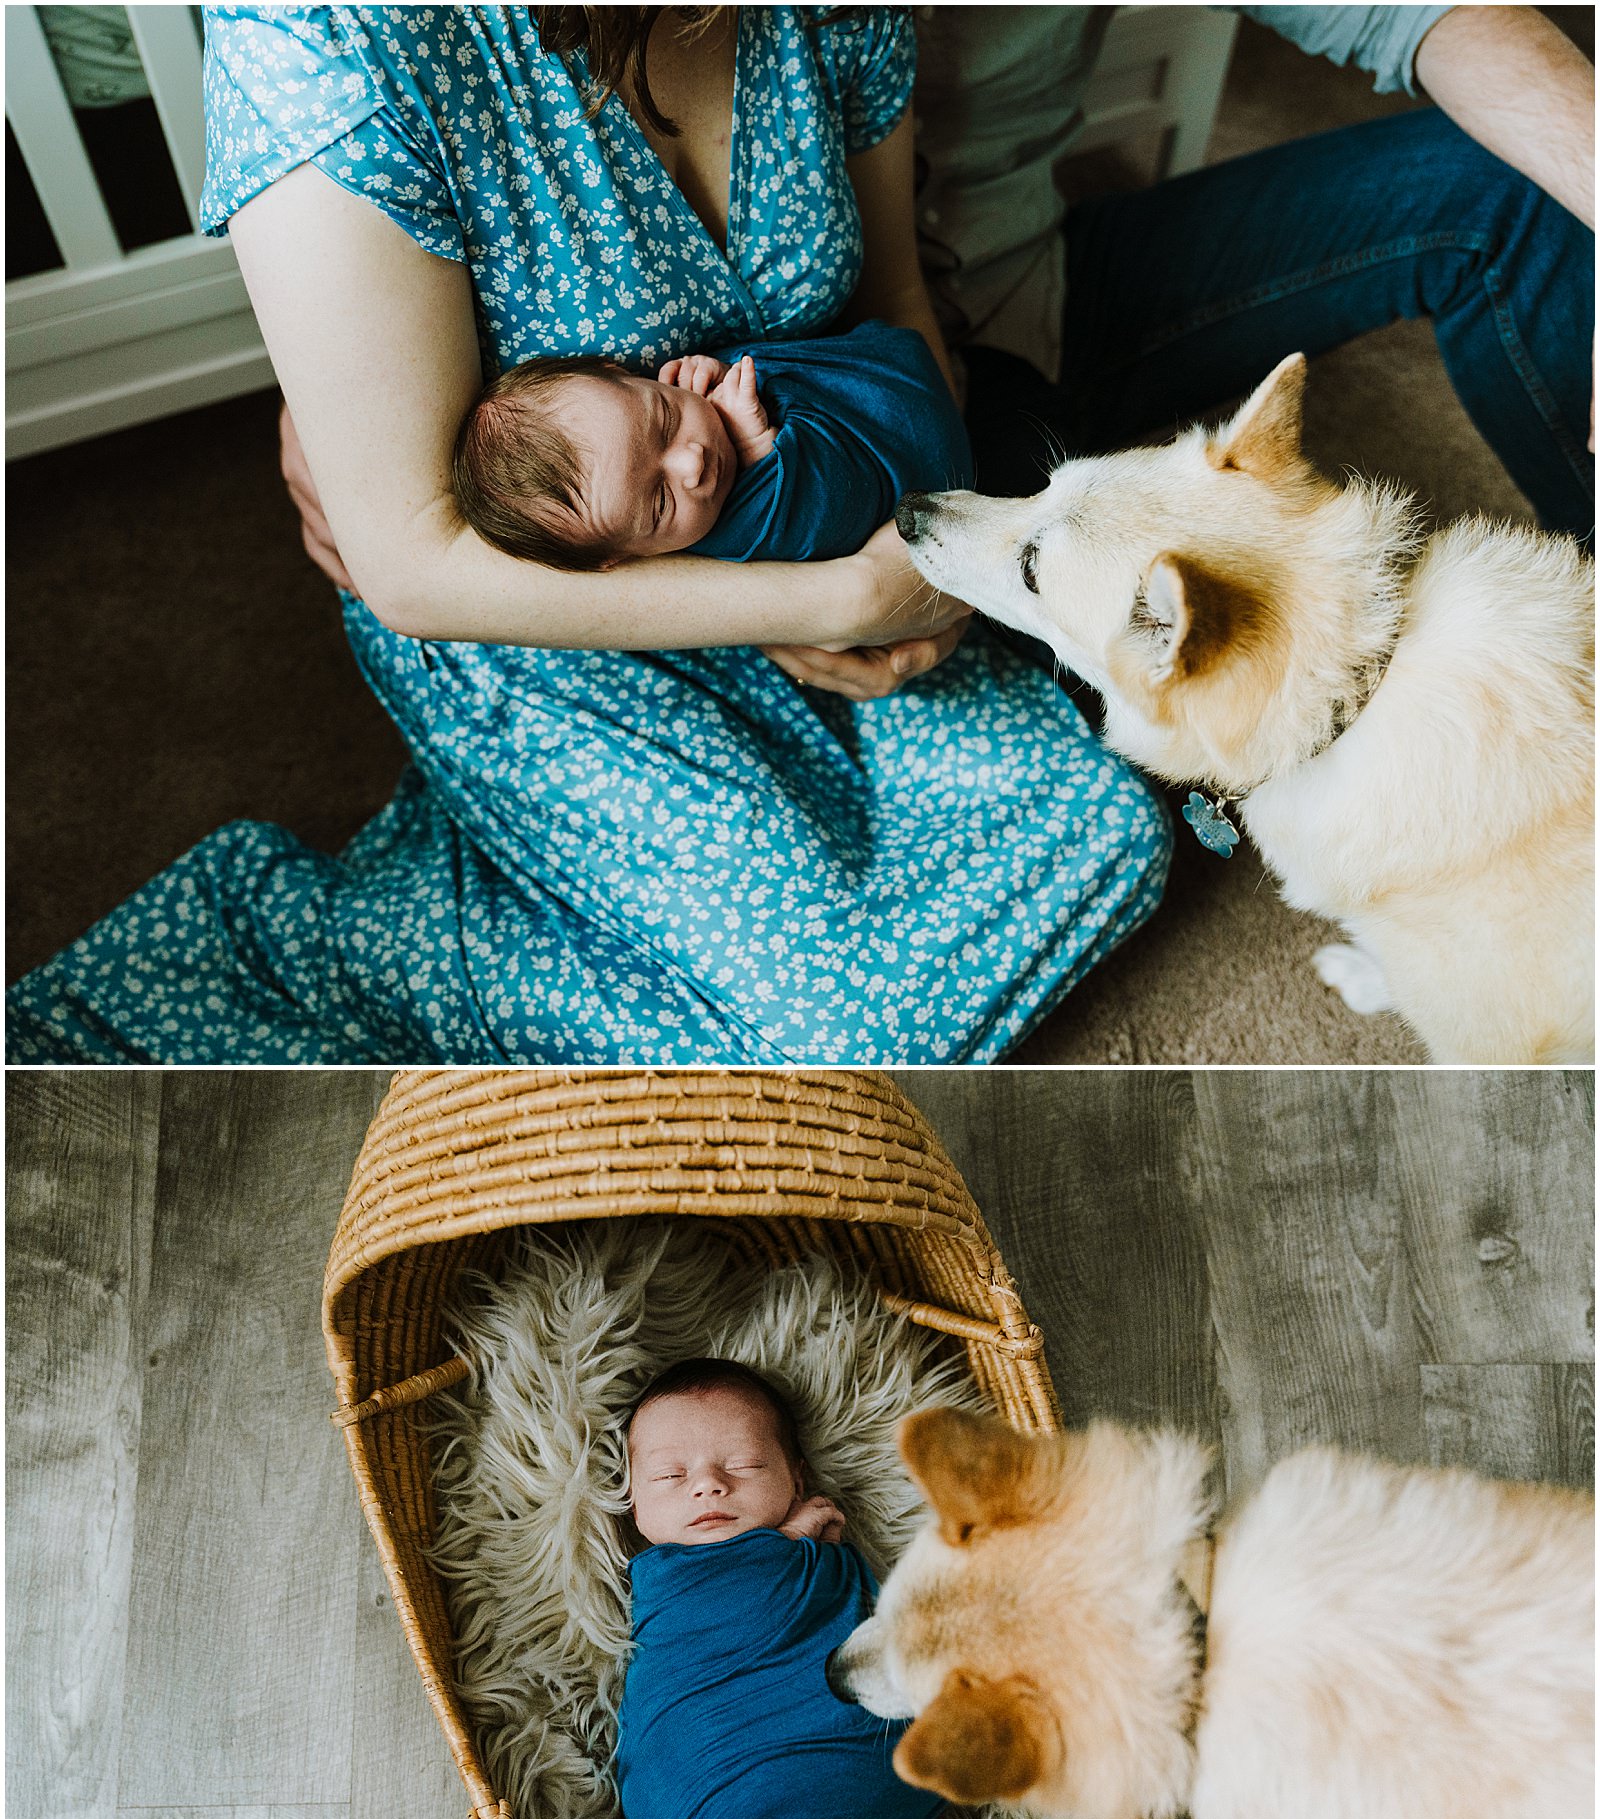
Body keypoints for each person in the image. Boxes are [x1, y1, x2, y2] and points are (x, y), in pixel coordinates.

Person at [5, 5, 1170, 1066]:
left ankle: (590, 888)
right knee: (846, 1025)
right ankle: (368, 934)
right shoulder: (330, 43)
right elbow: (415, 562)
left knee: (1104, 829)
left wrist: (923, 537)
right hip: (540, 624)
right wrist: (831, 604)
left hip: (827, 517)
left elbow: (892, 306)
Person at [908, 6, 1593, 541]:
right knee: (1071, 690)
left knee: (1516, 183)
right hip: (844, 385)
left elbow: (1416, 11)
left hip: (1036, 278)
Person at [615, 1359, 944, 1819]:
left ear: (797, 1477)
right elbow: (716, 1610)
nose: (707, 1485)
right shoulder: (660, 1582)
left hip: (834, 1786)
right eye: (670, 1475)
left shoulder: (808, 1558)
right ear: (634, 1502)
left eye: (741, 1465)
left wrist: (790, 1551)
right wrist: (788, 1546)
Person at [455, 319, 973, 567]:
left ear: (623, 373)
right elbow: (829, 510)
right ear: (621, 557)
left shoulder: (692, 389)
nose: (692, 461)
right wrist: (762, 452)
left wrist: (723, 366)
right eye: (660, 501)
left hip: (924, 380)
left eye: (662, 419)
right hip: (934, 472)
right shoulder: (733, 531)